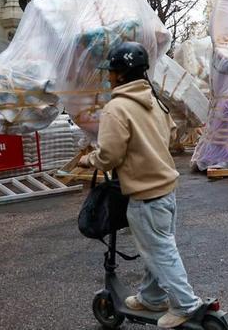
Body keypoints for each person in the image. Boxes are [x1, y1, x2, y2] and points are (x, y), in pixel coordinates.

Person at [80, 41, 202, 329]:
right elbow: (172, 134)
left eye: (111, 71)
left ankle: (185, 305)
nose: (108, 76)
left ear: (121, 74)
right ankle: (151, 296)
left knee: (159, 251)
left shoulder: (117, 108)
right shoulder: (155, 101)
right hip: (166, 190)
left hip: (145, 195)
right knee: (155, 249)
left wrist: (90, 161)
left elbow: (109, 156)